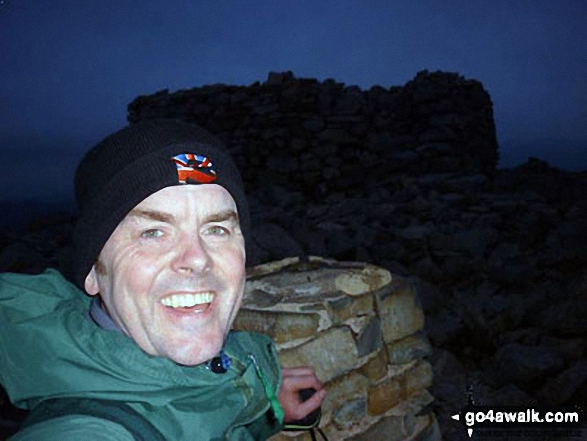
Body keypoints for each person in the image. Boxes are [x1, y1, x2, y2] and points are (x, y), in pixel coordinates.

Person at [0, 120, 326, 440]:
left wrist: (269, 414)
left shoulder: (196, 374)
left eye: (217, 229)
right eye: (153, 232)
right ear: (92, 272)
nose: (197, 258)